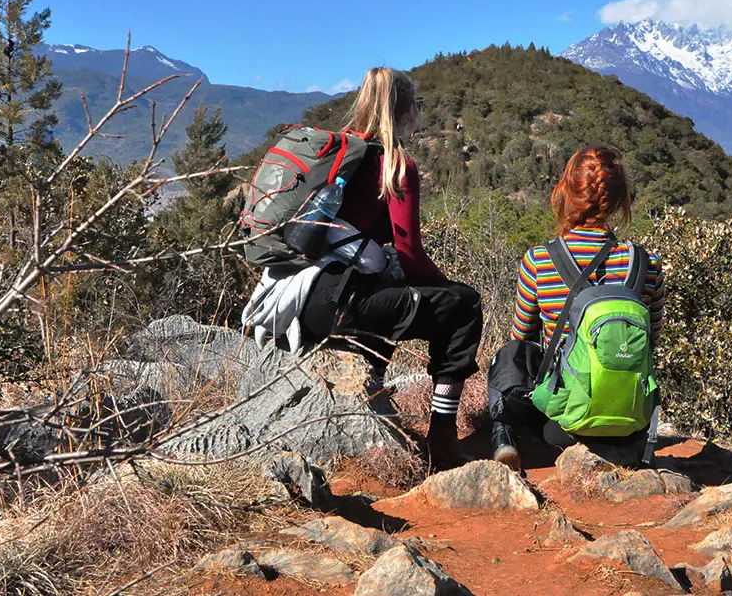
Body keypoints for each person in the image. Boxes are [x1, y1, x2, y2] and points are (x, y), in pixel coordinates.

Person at [243, 67, 483, 470]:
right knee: (464, 307)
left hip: (300, 301)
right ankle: (442, 436)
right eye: (417, 108)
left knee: (387, 289)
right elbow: (409, 253)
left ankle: (372, 396)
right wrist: (449, 288)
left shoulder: (337, 159)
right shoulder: (394, 164)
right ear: (407, 112)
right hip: (343, 304)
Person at [486, 147, 666, 471]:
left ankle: (504, 439)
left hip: (559, 426)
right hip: (631, 424)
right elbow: (650, 340)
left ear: (566, 193)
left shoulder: (540, 260)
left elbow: (521, 339)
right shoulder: (646, 263)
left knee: (507, 355)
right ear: (619, 200)